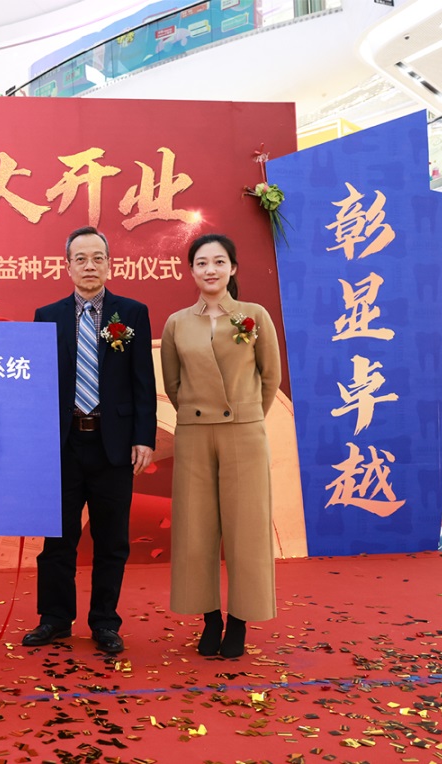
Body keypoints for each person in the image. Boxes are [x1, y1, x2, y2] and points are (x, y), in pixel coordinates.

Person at [24, 226, 157, 654]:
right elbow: (39, 386)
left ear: (109, 264)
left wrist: (144, 437)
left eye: (98, 258)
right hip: (64, 445)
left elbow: (143, 381)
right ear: (67, 266)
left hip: (113, 445)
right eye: (80, 258)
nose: (89, 266)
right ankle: (55, 619)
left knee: (111, 541)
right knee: (58, 540)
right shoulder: (47, 316)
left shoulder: (131, 313)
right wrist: (37, 442)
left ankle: (104, 622)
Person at [160, 233, 280, 659]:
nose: (210, 270)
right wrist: (197, 414)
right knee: (195, 530)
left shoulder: (254, 315)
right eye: (201, 263)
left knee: (247, 529)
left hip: (244, 432)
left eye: (218, 262)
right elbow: (173, 384)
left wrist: (247, 414)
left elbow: (270, 378)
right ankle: (210, 618)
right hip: (194, 432)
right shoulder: (177, 323)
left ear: (232, 268)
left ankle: (240, 621)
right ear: (191, 271)